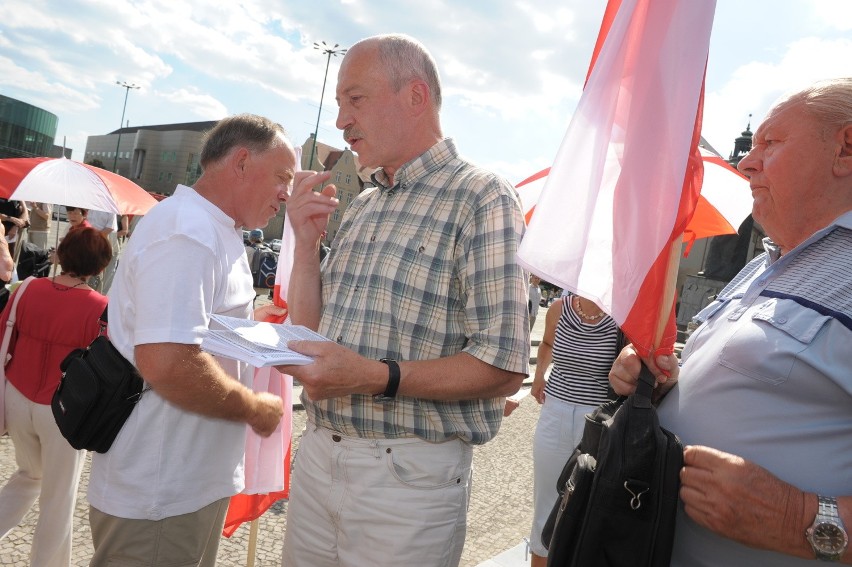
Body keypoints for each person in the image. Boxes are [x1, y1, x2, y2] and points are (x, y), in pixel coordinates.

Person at [279, 33, 529, 567]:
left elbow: (504, 365)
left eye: (356, 99)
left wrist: (375, 375)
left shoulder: (481, 196)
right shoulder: (366, 203)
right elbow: (312, 338)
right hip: (320, 454)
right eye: (340, 102)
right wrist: (305, 244)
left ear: (415, 97)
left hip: (405, 480)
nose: (341, 120)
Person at [609, 78, 852, 566]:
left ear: (845, 148)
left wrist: (800, 517)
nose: (746, 161)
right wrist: (663, 377)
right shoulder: (765, 261)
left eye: (771, 142)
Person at [86, 114, 307, 567]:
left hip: (182, 482)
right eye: (283, 176)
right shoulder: (188, 231)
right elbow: (168, 361)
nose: (286, 192)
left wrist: (250, 324)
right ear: (241, 162)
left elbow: (191, 326)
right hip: (162, 490)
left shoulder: (211, 228)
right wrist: (254, 407)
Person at [0, 227, 112, 567]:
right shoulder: (100, 307)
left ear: (61, 254)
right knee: (58, 497)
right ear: (100, 267)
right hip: (63, 409)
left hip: (18, 397)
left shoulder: (28, 289)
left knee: (30, 475)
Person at [528, 293, 620, 566]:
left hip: (597, 420)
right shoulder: (559, 308)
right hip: (555, 411)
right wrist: (539, 377)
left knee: (587, 507)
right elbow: (546, 343)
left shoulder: (621, 315)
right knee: (545, 503)